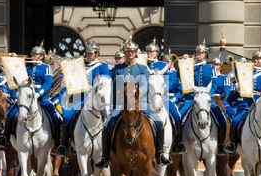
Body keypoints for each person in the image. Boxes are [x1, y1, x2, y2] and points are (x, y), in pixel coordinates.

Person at [96, 36, 170, 168]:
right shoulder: (118, 68)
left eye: (133, 51)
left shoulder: (142, 68)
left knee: (159, 122)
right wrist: (113, 106)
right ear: (125, 52)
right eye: (128, 51)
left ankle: (159, 153)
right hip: (121, 105)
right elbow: (114, 87)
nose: (131, 53)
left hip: (139, 103)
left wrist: (135, 95)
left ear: (136, 53)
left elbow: (144, 85)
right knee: (106, 125)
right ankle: (105, 156)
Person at [56, 39, 110, 157]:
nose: (88, 56)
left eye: (91, 54)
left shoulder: (102, 67)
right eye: (87, 53)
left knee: (108, 120)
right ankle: (65, 145)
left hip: (95, 100)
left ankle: (108, 148)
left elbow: (105, 82)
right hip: (79, 100)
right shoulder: (79, 65)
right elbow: (67, 80)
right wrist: (69, 65)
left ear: (96, 54)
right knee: (66, 116)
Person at [176, 40, 226, 153]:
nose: (199, 55)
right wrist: (182, 65)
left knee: (221, 118)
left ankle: (221, 144)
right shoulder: (190, 68)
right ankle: (179, 142)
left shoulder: (212, 68)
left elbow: (215, 83)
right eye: (197, 53)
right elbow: (181, 77)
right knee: (179, 116)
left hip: (208, 99)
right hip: (191, 98)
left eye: (201, 53)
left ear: (206, 55)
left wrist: (207, 94)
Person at [225, 49, 261, 154]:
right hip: (246, 103)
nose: (257, 60)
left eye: (259, 58)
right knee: (235, 120)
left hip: (260, 104)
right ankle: (233, 143)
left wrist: (259, 101)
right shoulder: (246, 72)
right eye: (255, 58)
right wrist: (238, 88)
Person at [0, 63, 18, 149]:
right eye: (2, 68)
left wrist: (15, 98)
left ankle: (10, 136)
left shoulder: (10, 79)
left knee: (13, 115)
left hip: (8, 102)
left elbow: (13, 91)